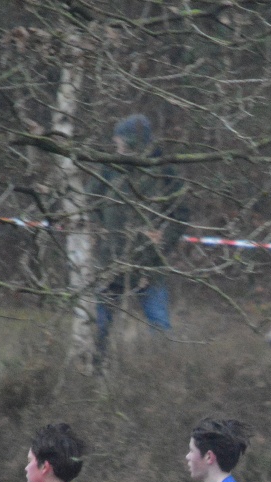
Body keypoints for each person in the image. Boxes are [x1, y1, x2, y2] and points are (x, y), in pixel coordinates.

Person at [90, 113, 189, 368]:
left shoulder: (164, 169)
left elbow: (181, 213)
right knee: (100, 325)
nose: (116, 145)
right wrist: (102, 230)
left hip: (150, 262)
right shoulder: (108, 166)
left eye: (121, 141)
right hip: (111, 260)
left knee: (158, 323)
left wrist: (163, 241)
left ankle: (162, 373)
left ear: (133, 141)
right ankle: (96, 371)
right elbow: (92, 201)